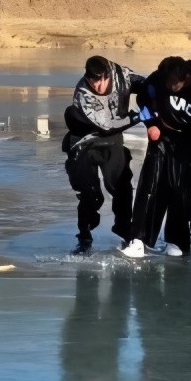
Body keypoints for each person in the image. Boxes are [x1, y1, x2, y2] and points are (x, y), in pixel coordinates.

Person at [120, 56, 191, 259]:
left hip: (189, 139)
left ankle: (176, 241)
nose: (167, 87)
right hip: (162, 134)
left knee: (179, 189)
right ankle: (139, 240)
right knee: (148, 185)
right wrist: (151, 124)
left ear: (185, 79)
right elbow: (143, 99)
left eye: (172, 84)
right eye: (165, 83)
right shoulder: (157, 79)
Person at [63, 55, 145, 255]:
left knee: (122, 186)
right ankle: (84, 234)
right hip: (86, 142)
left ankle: (125, 230)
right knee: (89, 194)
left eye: (101, 81)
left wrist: (154, 93)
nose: (98, 86)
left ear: (108, 74)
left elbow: (144, 83)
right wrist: (138, 116)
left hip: (112, 142)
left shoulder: (120, 75)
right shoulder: (83, 93)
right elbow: (107, 126)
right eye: (93, 82)